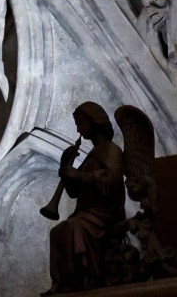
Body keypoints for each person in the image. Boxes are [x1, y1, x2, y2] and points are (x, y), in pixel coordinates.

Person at [46, 103, 127, 291]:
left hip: (104, 214)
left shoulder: (111, 150)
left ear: (94, 121)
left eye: (81, 123)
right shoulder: (92, 154)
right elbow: (75, 191)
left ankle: (87, 278)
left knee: (75, 227)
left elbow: (112, 180)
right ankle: (63, 284)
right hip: (87, 214)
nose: (78, 129)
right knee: (57, 232)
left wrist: (79, 175)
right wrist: (66, 168)